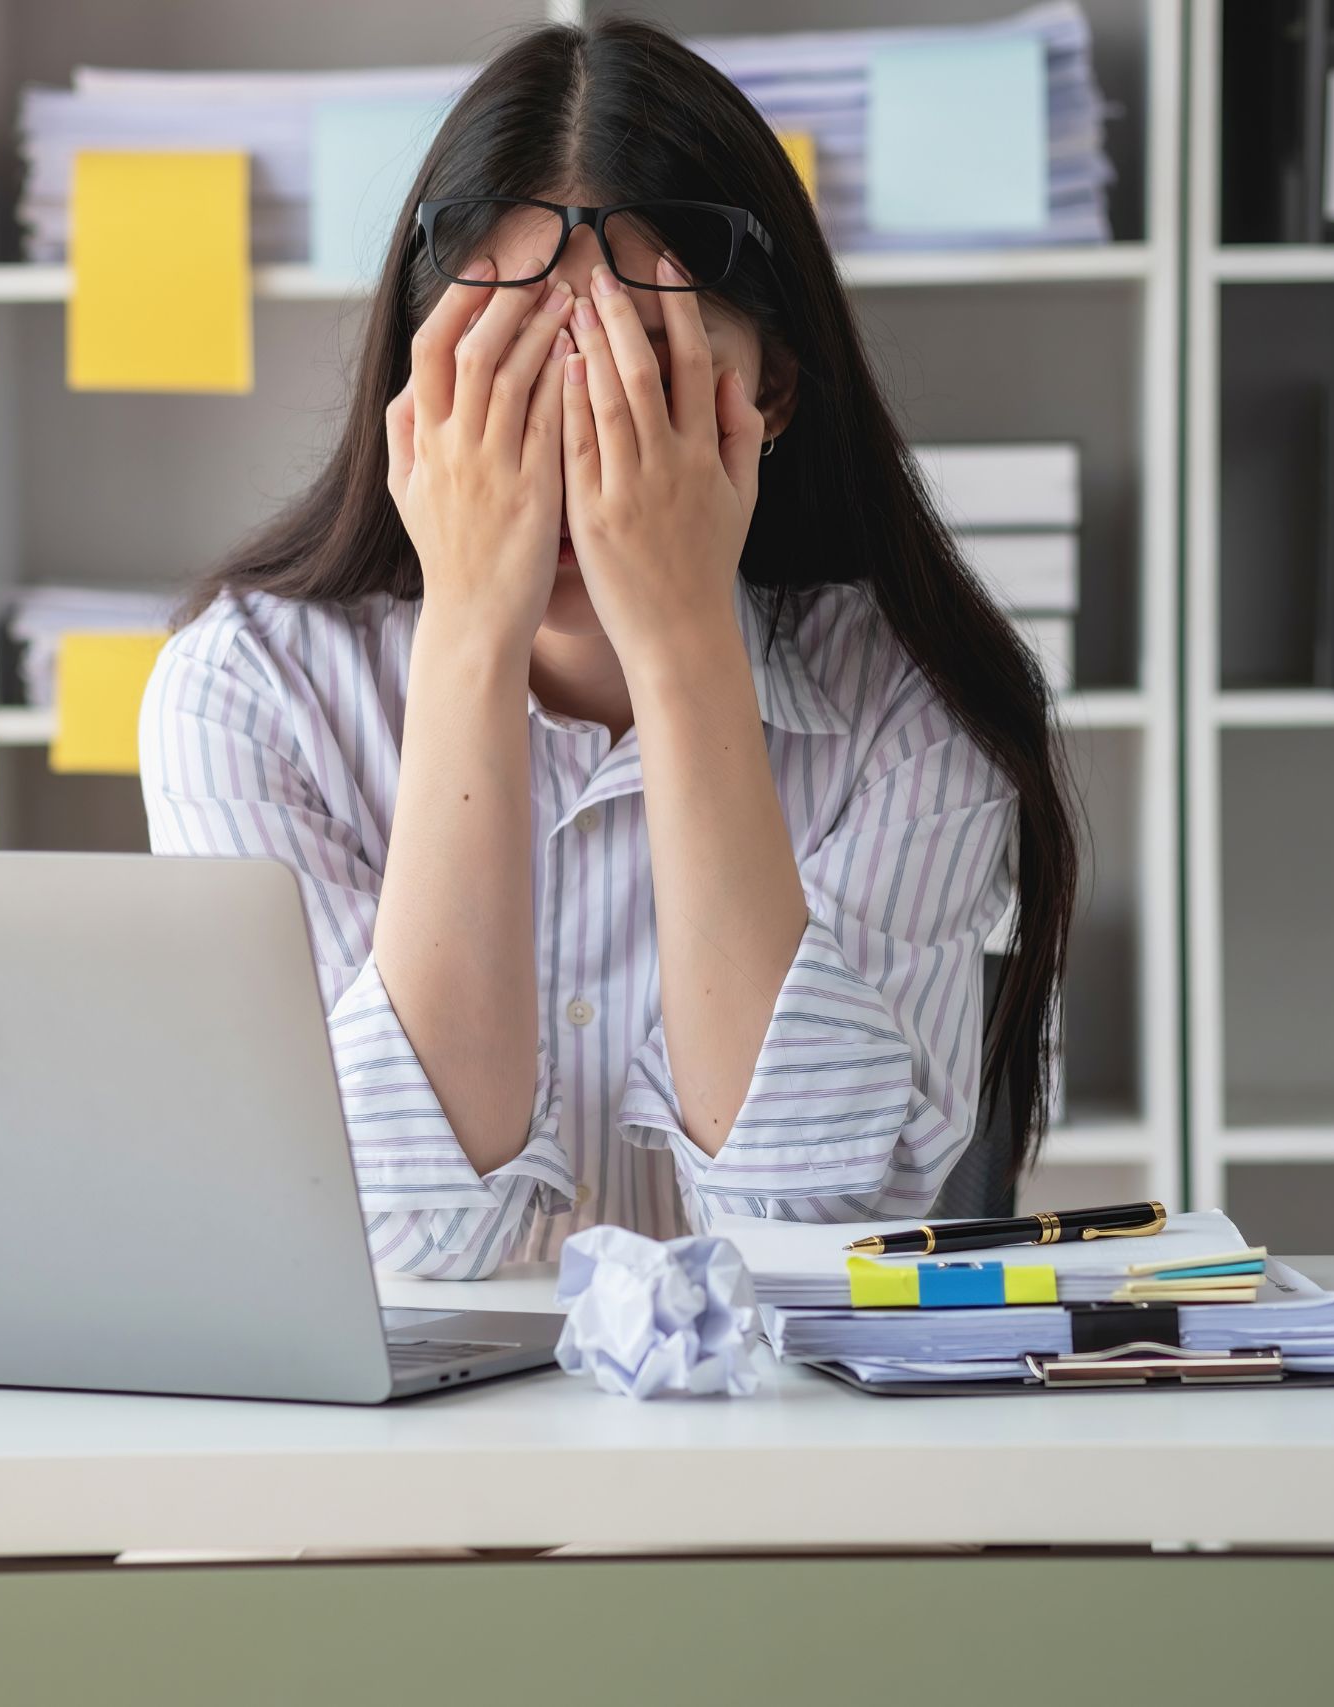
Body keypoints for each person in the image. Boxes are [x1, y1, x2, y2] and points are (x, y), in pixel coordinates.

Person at [141, 17, 1076, 1278]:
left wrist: (685, 638)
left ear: (772, 395)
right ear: (416, 394)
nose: (582, 468)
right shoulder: (245, 692)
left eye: (647, 389)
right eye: (513, 383)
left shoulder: (912, 703)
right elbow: (409, 1236)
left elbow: (813, 1228)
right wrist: (470, 627)